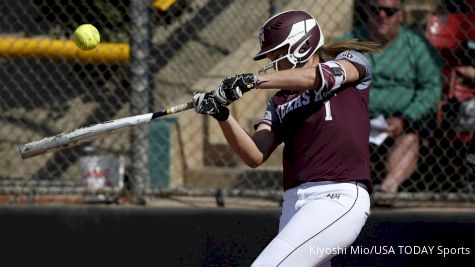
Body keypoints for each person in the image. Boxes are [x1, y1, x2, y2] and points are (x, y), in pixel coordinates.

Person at [192, 10, 380, 267]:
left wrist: (254, 80)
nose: (274, 64)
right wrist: (222, 115)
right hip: (294, 204)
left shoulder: (351, 61)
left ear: (302, 47)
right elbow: (255, 154)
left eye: (279, 55)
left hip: (336, 196)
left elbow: (320, 77)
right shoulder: (279, 101)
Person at [339, 0, 443, 193]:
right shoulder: (350, 42)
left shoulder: (416, 45)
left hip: (402, 120)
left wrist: (406, 117)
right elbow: (329, 78)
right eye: (375, 10)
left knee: (410, 139)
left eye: (389, 11)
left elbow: (432, 87)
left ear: (401, 15)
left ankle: (388, 187)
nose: (382, 16)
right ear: (367, 13)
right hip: (357, 117)